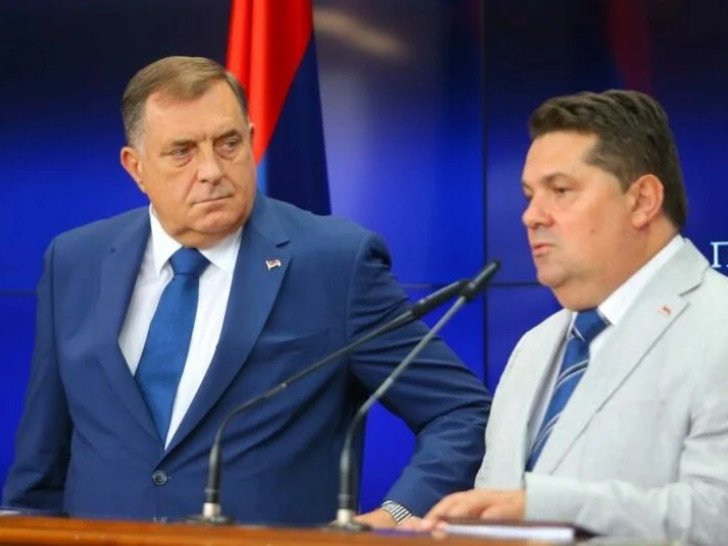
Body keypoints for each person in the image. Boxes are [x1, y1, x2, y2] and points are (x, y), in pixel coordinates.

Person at [2, 56, 491, 527]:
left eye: (228, 143)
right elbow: (42, 458)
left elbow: (459, 411)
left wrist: (397, 516)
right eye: (182, 151)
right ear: (136, 168)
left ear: (252, 140)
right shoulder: (76, 261)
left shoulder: (334, 263)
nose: (211, 170)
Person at [421, 90, 728, 544]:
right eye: (529, 195)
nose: (530, 216)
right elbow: (497, 500)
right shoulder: (535, 346)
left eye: (560, 190)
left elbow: (717, 515)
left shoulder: (718, 324)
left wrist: (542, 508)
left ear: (642, 200)